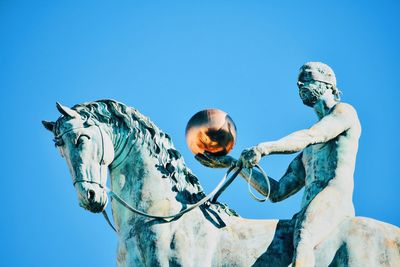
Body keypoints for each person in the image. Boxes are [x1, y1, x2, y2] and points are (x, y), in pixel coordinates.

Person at [196, 62, 361, 267]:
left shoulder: (344, 112)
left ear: (328, 81)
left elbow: (313, 134)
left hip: (334, 198)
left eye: (307, 77)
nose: (300, 83)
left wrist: (264, 148)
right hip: (308, 207)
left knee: (305, 235)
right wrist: (234, 164)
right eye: (298, 80)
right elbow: (276, 191)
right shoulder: (307, 153)